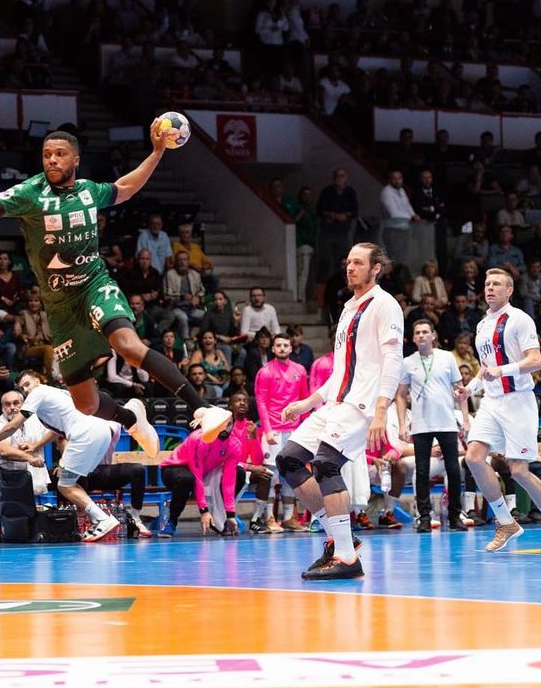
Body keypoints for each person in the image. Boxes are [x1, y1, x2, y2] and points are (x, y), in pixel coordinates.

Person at [0, 125, 209, 455]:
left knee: (129, 345)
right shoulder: (31, 192)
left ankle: (200, 407)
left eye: (60, 155)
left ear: (76, 159)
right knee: (85, 403)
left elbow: (125, 188)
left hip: (94, 285)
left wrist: (157, 152)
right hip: (60, 305)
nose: (52, 161)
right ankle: (132, 418)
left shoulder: (89, 190)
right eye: (47, 155)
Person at [278, 243, 405, 580]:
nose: (350, 268)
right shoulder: (349, 307)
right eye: (348, 262)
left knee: (325, 464)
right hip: (335, 403)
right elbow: (340, 371)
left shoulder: (385, 305)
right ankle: (339, 538)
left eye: (358, 263)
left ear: (376, 268)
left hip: (361, 405)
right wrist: (307, 403)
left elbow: (393, 361)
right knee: (288, 459)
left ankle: (347, 559)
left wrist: (382, 409)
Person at [455, 268, 541, 553]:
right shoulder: (482, 324)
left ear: (509, 290)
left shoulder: (520, 319)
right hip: (491, 401)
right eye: (487, 284)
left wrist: (503, 370)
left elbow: (535, 361)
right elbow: (486, 369)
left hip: (518, 401)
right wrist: (469, 389)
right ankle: (506, 521)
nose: (490, 288)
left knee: (519, 470)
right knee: (474, 459)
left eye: (497, 284)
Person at [0, 370, 127, 541]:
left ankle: (103, 518)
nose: (26, 389)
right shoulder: (56, 394)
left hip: (86, 435)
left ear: (39, 380)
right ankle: (97, 518)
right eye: (23, 387)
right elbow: (55, 431)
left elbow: (14, 425)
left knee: (65, 485)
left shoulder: (39, 392)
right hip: (101, 432)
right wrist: (36, 446)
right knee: (71, 481)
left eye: (28, 384)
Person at [396, 318, 469, 532]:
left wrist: (464, 418)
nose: (421, 335)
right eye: (417, 332)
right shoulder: (407, 362)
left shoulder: (447, 358)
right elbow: (401, 396)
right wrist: (402, 424)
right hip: (420, 424)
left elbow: (460, 389)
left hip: (446, 421)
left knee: (454, 470)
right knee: (422, 471)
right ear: (413, 337)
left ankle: (455, 516)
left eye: (425, 331)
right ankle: (425, 517)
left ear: (433, 335)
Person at [254, 333, 310, 532]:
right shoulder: (265, 371)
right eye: (278, 345)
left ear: (291, 347)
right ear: (273, 348)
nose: (282, 348)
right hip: (274, 431)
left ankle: (288, 518)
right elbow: (261, 403)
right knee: (271, 473)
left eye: (286, 345)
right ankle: (269, 518)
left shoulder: (300, 370)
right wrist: (267, 430)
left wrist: (304, 429)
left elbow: (305, 399)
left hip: (294, 431)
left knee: (291, 472)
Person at [158, 406, 243, 538]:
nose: (225, 428)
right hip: (174, 470)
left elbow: (229, 481)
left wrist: (230, 513)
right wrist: (204, 510)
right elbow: (196, 473)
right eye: (221, 424)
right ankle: (171, 521)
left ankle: (223, 519)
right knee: (187, 479)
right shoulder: (198, 439)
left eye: (229, 423)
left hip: (203, 473)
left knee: (240, 472)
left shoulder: (234, 445)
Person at [0, 389, 50, 495]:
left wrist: (36, 446)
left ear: (23, 404)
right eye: (7, 404)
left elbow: (54, 434)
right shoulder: (0, 424)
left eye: (16, 403)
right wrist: (30, 458)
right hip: (10, 476)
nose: (12, 407)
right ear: (2, 407)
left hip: (36, 473)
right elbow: (4, 451)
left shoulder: (34, 419)